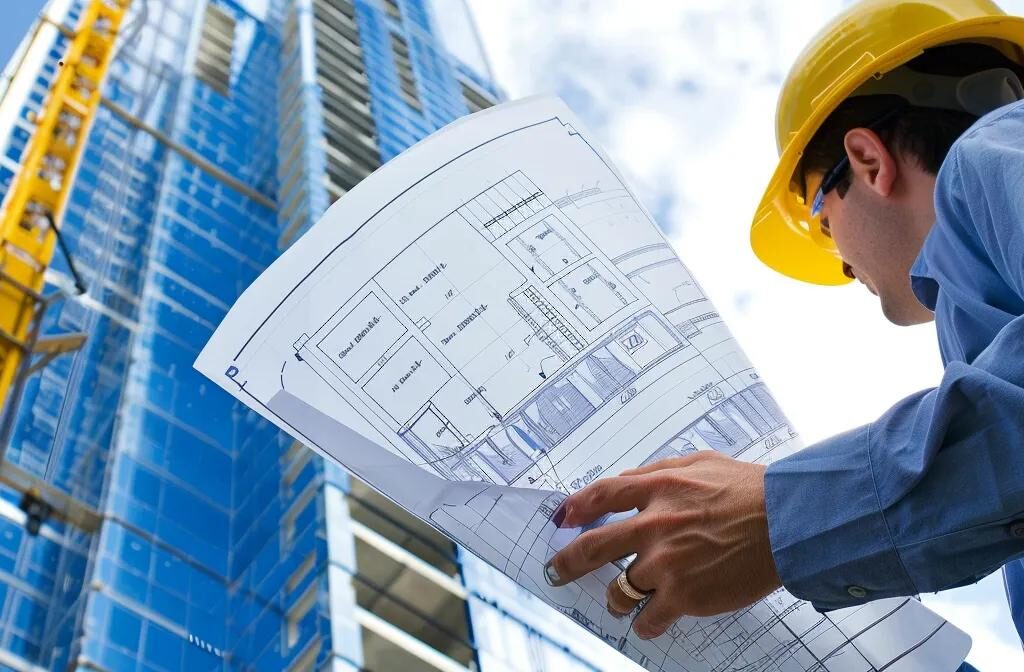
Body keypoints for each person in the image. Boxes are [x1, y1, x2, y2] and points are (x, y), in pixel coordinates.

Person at [542, 0, 1024, 663]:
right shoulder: (983, 317)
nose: (840, 263)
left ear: (868, 159)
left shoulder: (993, 150)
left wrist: (778, 516)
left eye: (822, 217)